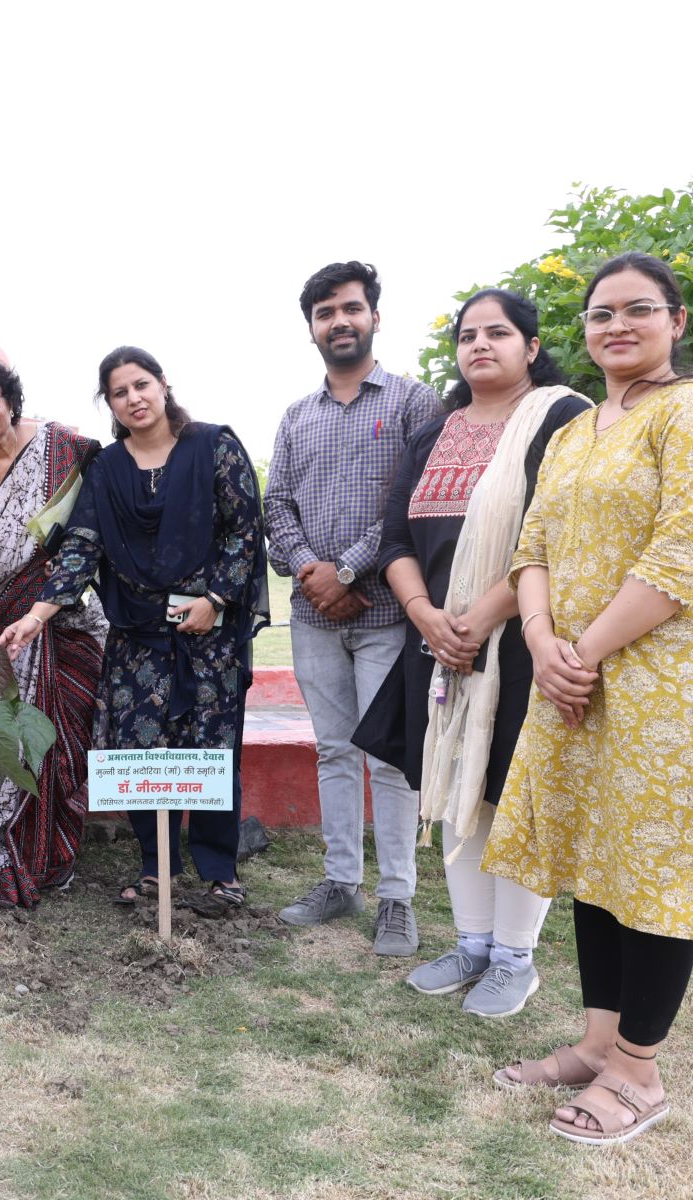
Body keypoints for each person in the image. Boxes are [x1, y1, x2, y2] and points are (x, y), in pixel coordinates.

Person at [485, 252, 693, 1145]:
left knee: (654, 868)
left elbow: (686, 555)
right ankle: (598, 1044)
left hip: (675, 681)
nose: (617, 326)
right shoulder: (574, 433)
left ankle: (639, 1071)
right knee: (596, 855)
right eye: (601, 314)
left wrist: (583, 652)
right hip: (575, 677)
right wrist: (541, 643)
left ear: (675, 321)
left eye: (638, 309)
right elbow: (532, 548)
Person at [369, 289, 591, 1016]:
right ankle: (472, 943)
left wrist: (478, 620)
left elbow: (561, 537)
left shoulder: (563, 419)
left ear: (532, 347)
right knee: (452, 787)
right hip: (438, 646)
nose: (481, 345)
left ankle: (515, 959)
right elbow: (396, 541)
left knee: (516, 796)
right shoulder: (434, 433)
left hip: (526, 641)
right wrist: (426, 616)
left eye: (499, 333)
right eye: (468, 335)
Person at [0, 347, 266, 906]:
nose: (134, 399)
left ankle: (221, 873)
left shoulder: (214, 445)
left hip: (208, 634)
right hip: (138, 636)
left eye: (141, 385)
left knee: (211, 749)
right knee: (142, 749)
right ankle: (157, 869)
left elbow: (244, 530)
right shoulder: (106, 469)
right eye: (119, 392)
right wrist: (36, 616)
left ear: (163, 384)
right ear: (110, 404)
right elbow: (82, 547)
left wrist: (215, 600)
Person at [264, 261, 441, 955]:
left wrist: (346, 572)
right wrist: (313, 574)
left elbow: (414, 501)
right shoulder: (295, 416)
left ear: (374, 317)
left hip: (387, 614)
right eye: (325, 313)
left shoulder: (413, 402)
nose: (339, 321)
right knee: (333, 750)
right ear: (311, 328)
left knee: (388, 758)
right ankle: (341, 881)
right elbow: (277, 504)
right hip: (314, 619)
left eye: (350, 308)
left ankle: (397, 897)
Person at [0, 355, 106, 906]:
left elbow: (108, 516)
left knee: (67, 745)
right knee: (2, 743)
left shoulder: (65, 449)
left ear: (10, 402)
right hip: (3, 635)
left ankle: (57, 855)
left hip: (74, 622)